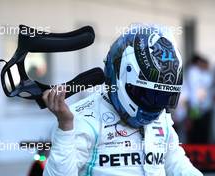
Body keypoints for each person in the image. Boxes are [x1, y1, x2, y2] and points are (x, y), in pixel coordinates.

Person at [42, 24, 202, 176]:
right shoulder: (82, 118)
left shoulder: (161, 117)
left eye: (162, 97)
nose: (155, 103)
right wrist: (65, 128)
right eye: (147, 94)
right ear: (120, 77)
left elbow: (175, 162)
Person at [186, 54, 213, 143]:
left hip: (201, 107)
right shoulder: (193, 72)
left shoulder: (203, 73)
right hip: (196, 106)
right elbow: (195, 92)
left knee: (201, 131)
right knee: (195, 130)